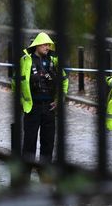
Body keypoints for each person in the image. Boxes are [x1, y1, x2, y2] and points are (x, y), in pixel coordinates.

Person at [12, 32, 69, 180]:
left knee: (48, 142)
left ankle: (45, 173)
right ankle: (24, 176)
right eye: (45, 44)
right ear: (37, 45)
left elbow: (64, 81)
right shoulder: (25, 60)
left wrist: (59, 99)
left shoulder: (54, 61)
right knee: (29, 143)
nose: (47, 47)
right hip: (32, 107)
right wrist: (21, 101)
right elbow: (15, 82)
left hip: (49, 108)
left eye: (49, 45)